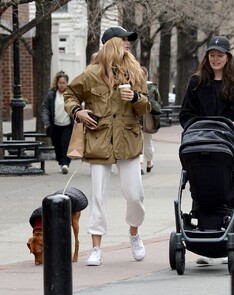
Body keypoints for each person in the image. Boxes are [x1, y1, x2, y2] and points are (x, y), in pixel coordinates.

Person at [64, 26, 151, 266]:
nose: (127, 43)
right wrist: (78, 111)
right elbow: (70, 94)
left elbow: (146, 107)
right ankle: (96, 247)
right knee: (98, 196)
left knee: (135, 195)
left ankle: (134, 233)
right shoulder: (91, 73)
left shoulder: (135, 72)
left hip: (128, 139)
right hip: (99, 140)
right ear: (109, 43)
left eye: (129, 40)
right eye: (123, 40)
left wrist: (135, 98)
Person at [179, 35, 234, 265]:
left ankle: (230, 241)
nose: (216, 59)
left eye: (220, 55)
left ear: (228, 57)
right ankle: (204, 244)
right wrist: (196, 128)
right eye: (212, 55)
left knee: (232, 188)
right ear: (207, 57)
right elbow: (186, 114)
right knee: (202, 185)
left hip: (232, 145)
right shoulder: (197, 82)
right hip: (202, 144)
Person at [41, 71, 72, 174]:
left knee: (65, 144)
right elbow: (45, 108)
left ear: (67, 83)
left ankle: (65, 164)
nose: (62, 85)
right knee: (57, 145)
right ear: (57, 83)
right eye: (60, 83)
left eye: (64, 83)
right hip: (55, 125)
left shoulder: (70, 94)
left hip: (67, 124)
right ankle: (60, 162)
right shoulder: (51, 94)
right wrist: (46, 121)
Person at [140, 66, 162, 174]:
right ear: (147, 74)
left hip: (136, 118)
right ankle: (149, 162)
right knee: (148, 141)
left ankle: (139, 165)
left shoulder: (134, 86)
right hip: (148, 118)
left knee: (138, 142)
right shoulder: (152, 87)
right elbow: (157, 103)